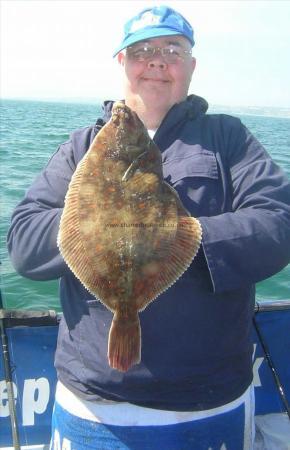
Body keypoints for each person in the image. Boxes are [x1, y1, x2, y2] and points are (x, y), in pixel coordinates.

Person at [7, 5, 290, 450]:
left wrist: (175, 240)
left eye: (172, 50)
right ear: (123, 63)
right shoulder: (81, 146)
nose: (157, 60)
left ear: (191, 67)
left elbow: (279, 224)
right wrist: (97, 226)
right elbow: (23, 244)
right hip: (91, 403)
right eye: (142, 50)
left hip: (208, 400)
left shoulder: (228, 138)